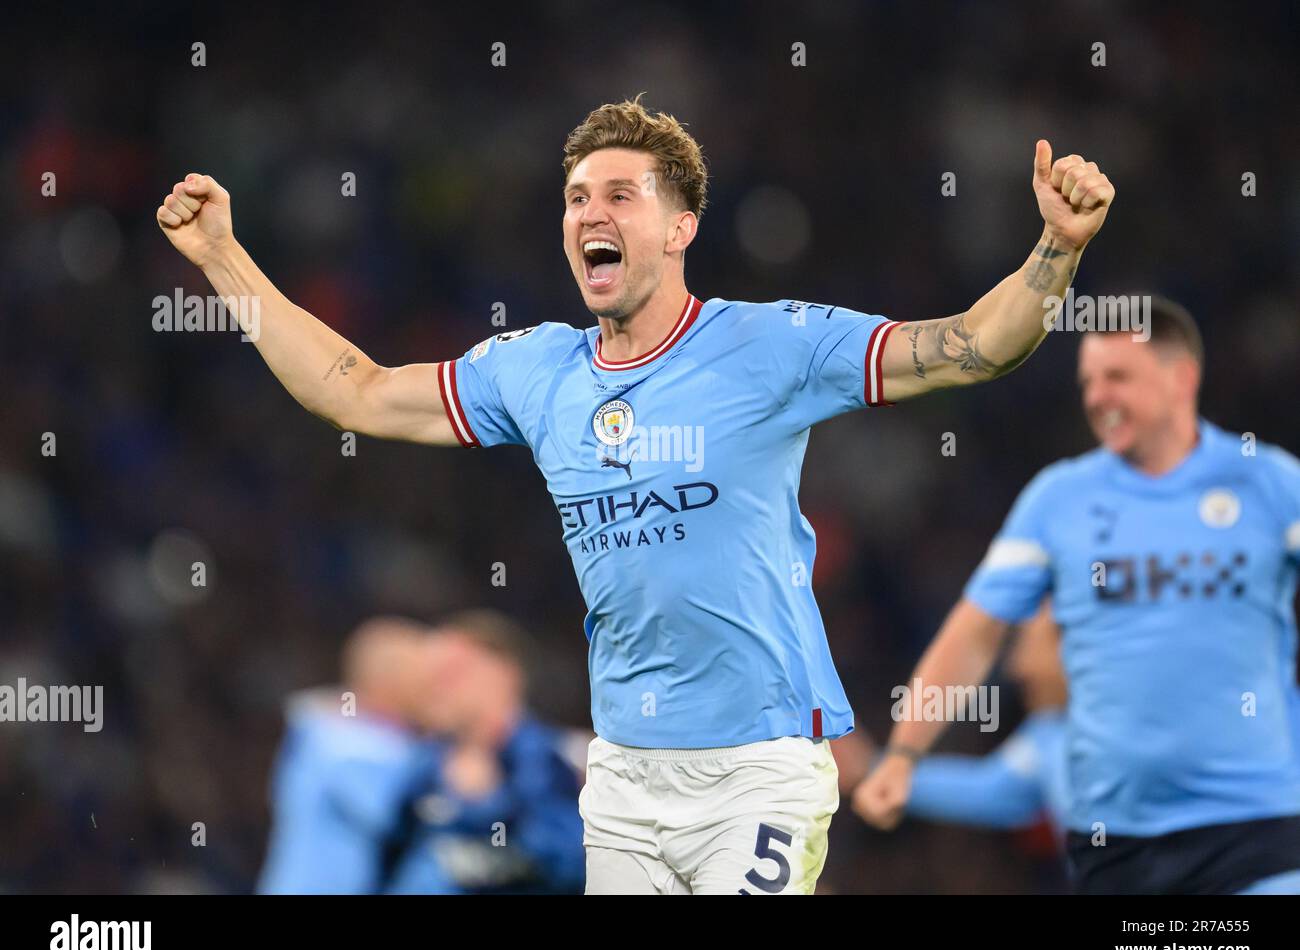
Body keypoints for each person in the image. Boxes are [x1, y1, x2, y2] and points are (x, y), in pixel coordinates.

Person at [157, 94, 1114, 894]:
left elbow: (972, 345)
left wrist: (1056, 252)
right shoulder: (534, 371)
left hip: (761, 768)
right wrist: (223, 263)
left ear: (680, 225)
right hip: (622, 779)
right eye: (576, 198)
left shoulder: (769, 345)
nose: (590, 215)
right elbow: (354, 390)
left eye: (621, 194)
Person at [854, 299, 1300, 894]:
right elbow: (975, 632)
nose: (1096, 397)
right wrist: (906, 754)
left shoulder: (1268, 482)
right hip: (1117, 842)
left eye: (1117, 377)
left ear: (1181, 378)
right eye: (1088, 381)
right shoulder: (1058, 500)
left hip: (1255, 829)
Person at [384, 610, 585, 894]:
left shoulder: (561, 762)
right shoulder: (421, 769)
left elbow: (572, 867)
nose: (435, 689)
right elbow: (391, 865)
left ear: (504, 673)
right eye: (428, 677)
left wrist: (485, 807)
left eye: (450, 673)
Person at [835, 603, 1069, 835]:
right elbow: (990, 791)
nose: (1018, 668)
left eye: (1031, 646)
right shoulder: (1048, 732)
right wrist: (871, 768)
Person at [258, 616, 444, 894]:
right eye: (426, 678)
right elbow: (410, 815)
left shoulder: (349, 739)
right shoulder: (341, 746)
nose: (437, 691)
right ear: (388, 680)